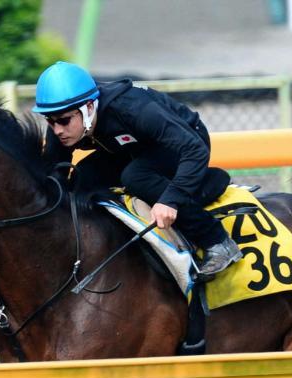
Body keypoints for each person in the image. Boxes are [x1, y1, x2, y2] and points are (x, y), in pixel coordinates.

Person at [34, 61, 243, 279]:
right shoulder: (62, 123)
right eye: (50, 122)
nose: (57, 130)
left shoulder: (132, 108)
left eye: (64, 121)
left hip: (185, 144)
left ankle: (217, 240)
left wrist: (170, 199)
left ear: (88, 108)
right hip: (133, 148)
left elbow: (194, 150)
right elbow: (54, 176)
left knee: (135, 176)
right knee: (81, 177)